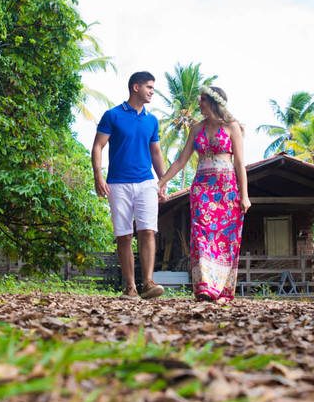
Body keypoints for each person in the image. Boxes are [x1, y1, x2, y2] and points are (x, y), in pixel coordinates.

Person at [157, 85, 251, 304]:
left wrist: (244, 195)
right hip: (201, 188)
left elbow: (239, 163)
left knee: (224, 238)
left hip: (226, 189)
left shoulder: (232, 127)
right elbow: (181, 160)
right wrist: (162, 182)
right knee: (202, 236)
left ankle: (222, 291)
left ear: (214, 102)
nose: (199, 103)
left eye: (203, 100)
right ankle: (205, 287)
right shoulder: (196, 128)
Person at [92, 71, 167, 299]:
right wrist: (98, 175)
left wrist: (162, 181)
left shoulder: (151, 120)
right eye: (149, 87)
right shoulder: (112, 115)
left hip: (146, 182)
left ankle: (148, 283)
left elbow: (155, 151)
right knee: (124, 235)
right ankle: (130, 287)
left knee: (148, 231)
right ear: (136, 87)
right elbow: (98, 146)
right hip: (118, 184)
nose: (152, 92)